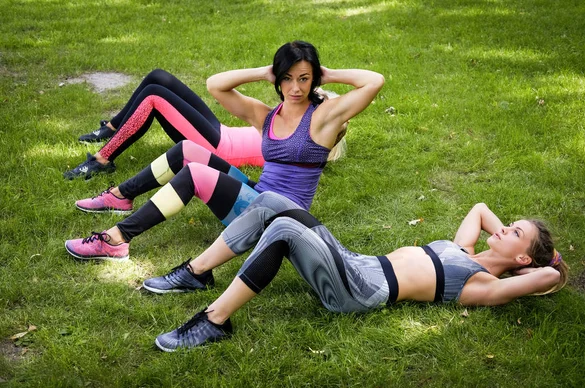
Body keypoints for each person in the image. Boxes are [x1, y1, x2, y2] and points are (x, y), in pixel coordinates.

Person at [64, 41, 385, 264]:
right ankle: (120, 195)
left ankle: (116, 240)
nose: (296, 88)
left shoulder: (324, 119)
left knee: (195, 174)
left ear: (313, 79)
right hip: (256, 198)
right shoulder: (268, 116)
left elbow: (373, 81)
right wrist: (264, 70)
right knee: (188, 150)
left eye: (304, 79)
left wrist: (325, 73)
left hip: (280, 218)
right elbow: (216, 84)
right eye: (287, 78)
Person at [137, 192, 569, 352]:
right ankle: (196, 272)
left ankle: (214, 321)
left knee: (285, 228)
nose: (504, 226)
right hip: (356, 264)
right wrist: (510, 241)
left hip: (360, 292)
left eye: (514, 232)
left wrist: (542, 261)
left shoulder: (484, 285)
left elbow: (548, 278)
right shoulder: (463, 250)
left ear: (523, 261)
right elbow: (479, 208)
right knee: (271, 201)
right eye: (509, 224)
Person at [64, 69, 265, 180]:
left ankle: (102, 161)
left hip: (220, 151)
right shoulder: (284, 115)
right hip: (223, 132)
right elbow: (216, 84)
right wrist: (264, 72)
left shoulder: (295, 142)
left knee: (154, 96)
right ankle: (112, 127)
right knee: (159, 77)